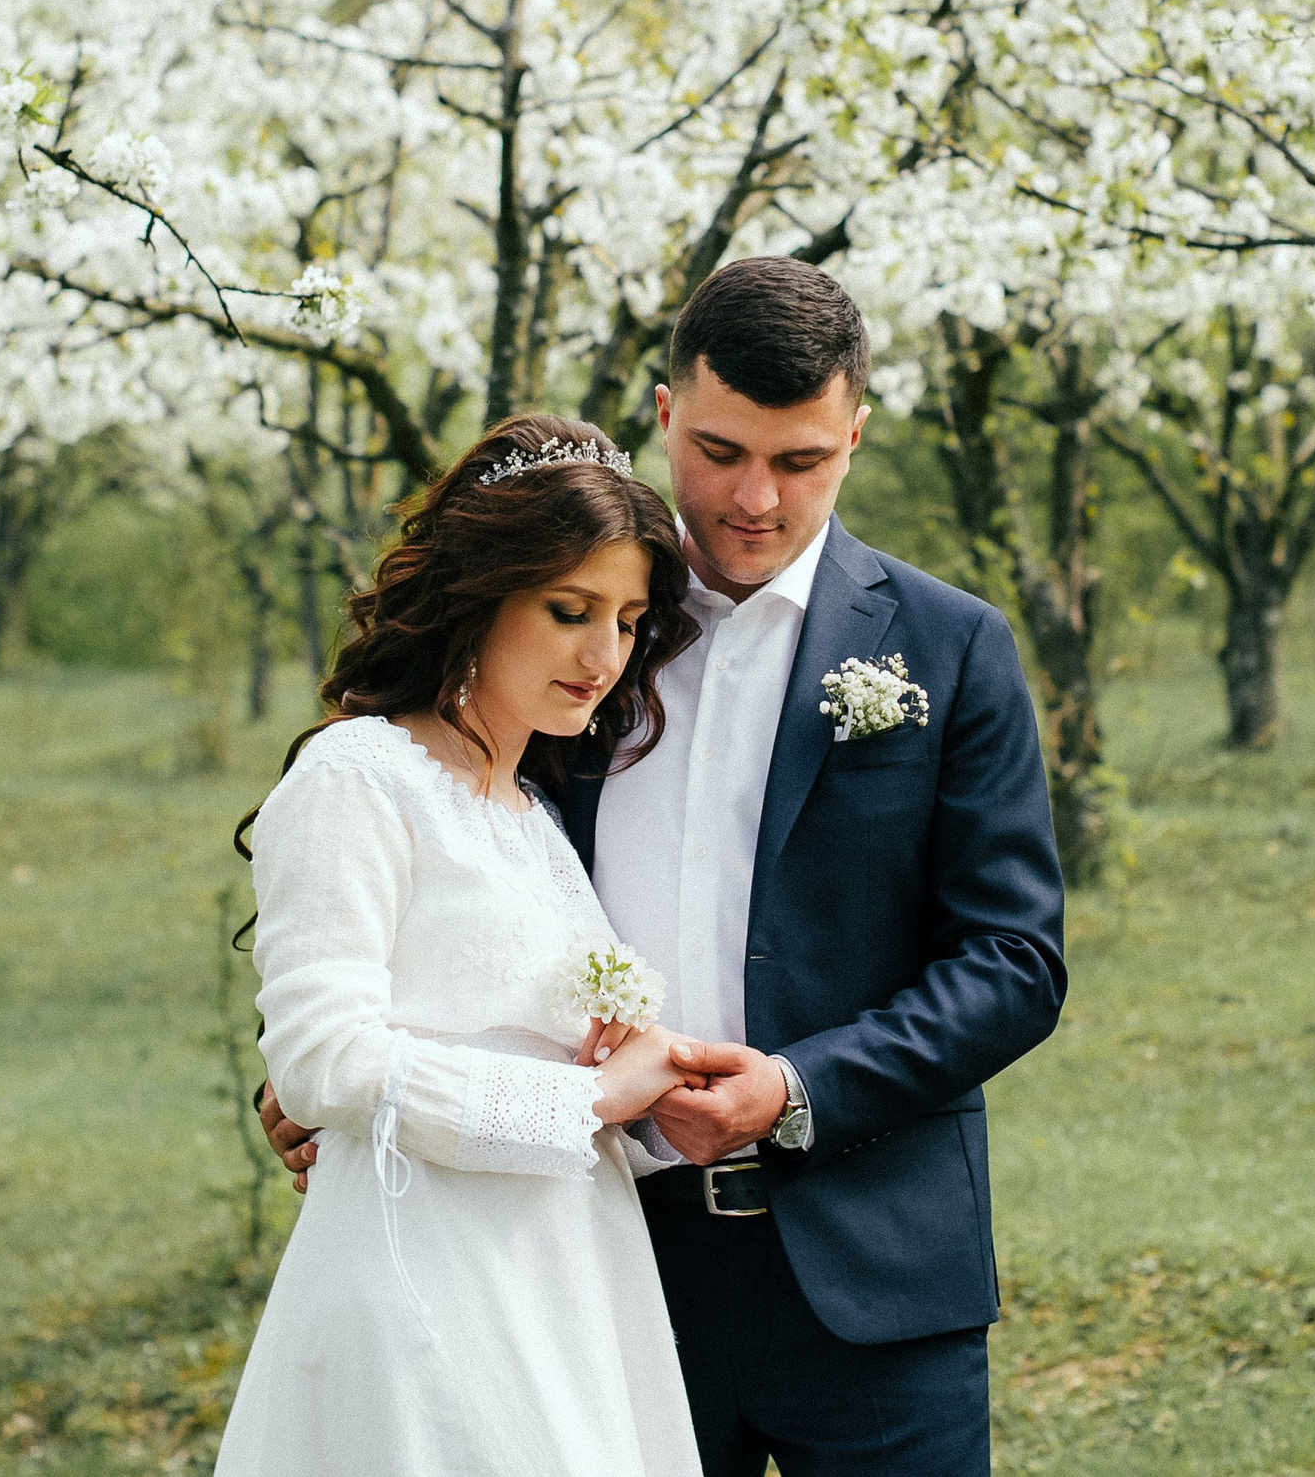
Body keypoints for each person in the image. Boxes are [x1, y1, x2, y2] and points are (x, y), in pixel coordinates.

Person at [258, 257, 1069, 1476]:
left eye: (800, 462)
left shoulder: (948, 648)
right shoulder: (566, 629)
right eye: (720, 449)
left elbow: (1013, 959)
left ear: (856, 434)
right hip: (597, 1252)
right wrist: (344, 1080)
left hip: (877, 1267)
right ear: (661, 413)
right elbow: (422, 874)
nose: (753, 498)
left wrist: (792, 1086)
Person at [213, 414, 709, 1477]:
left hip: (566, 1279)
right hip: (424, 1278)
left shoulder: (532, 816)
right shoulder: (357, 778)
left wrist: (644, 1057)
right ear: (480, 595)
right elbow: (321, 1059)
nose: (601, 656)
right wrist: (589, 1099)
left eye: (625, 620)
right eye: (568, 610)